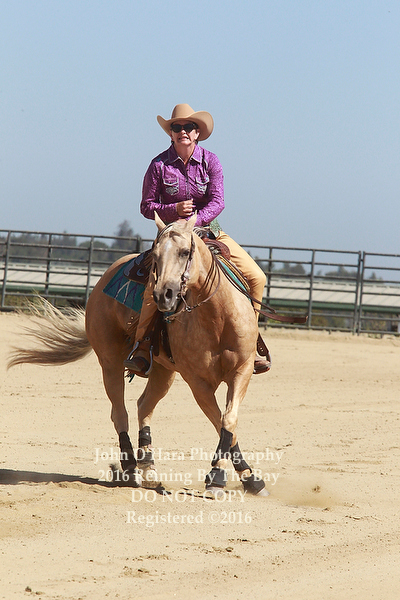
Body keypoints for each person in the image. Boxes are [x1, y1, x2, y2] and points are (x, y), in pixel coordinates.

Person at [124, 103, 268, 376]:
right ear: (171, 133)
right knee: (154, 287)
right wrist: (174, 210)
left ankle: (250, 343)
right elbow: (146, 206)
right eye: (177, 127)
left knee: (257, 277)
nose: (183, 131)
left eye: (189, 127)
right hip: (172, 236)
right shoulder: (158, 165)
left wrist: (196, 220)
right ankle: (142, 347)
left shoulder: (211, 161)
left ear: (197, 132)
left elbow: (218, 201)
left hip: (209, 231)